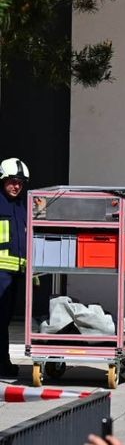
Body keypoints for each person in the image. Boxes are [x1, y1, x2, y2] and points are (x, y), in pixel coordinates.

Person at [0, 158, 30, 378]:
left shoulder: (23, 205)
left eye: (19, 182)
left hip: (15, 274)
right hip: (0, 274)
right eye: (12, 181)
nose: (16, 186)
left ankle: (4, 363)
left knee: (5, 321)